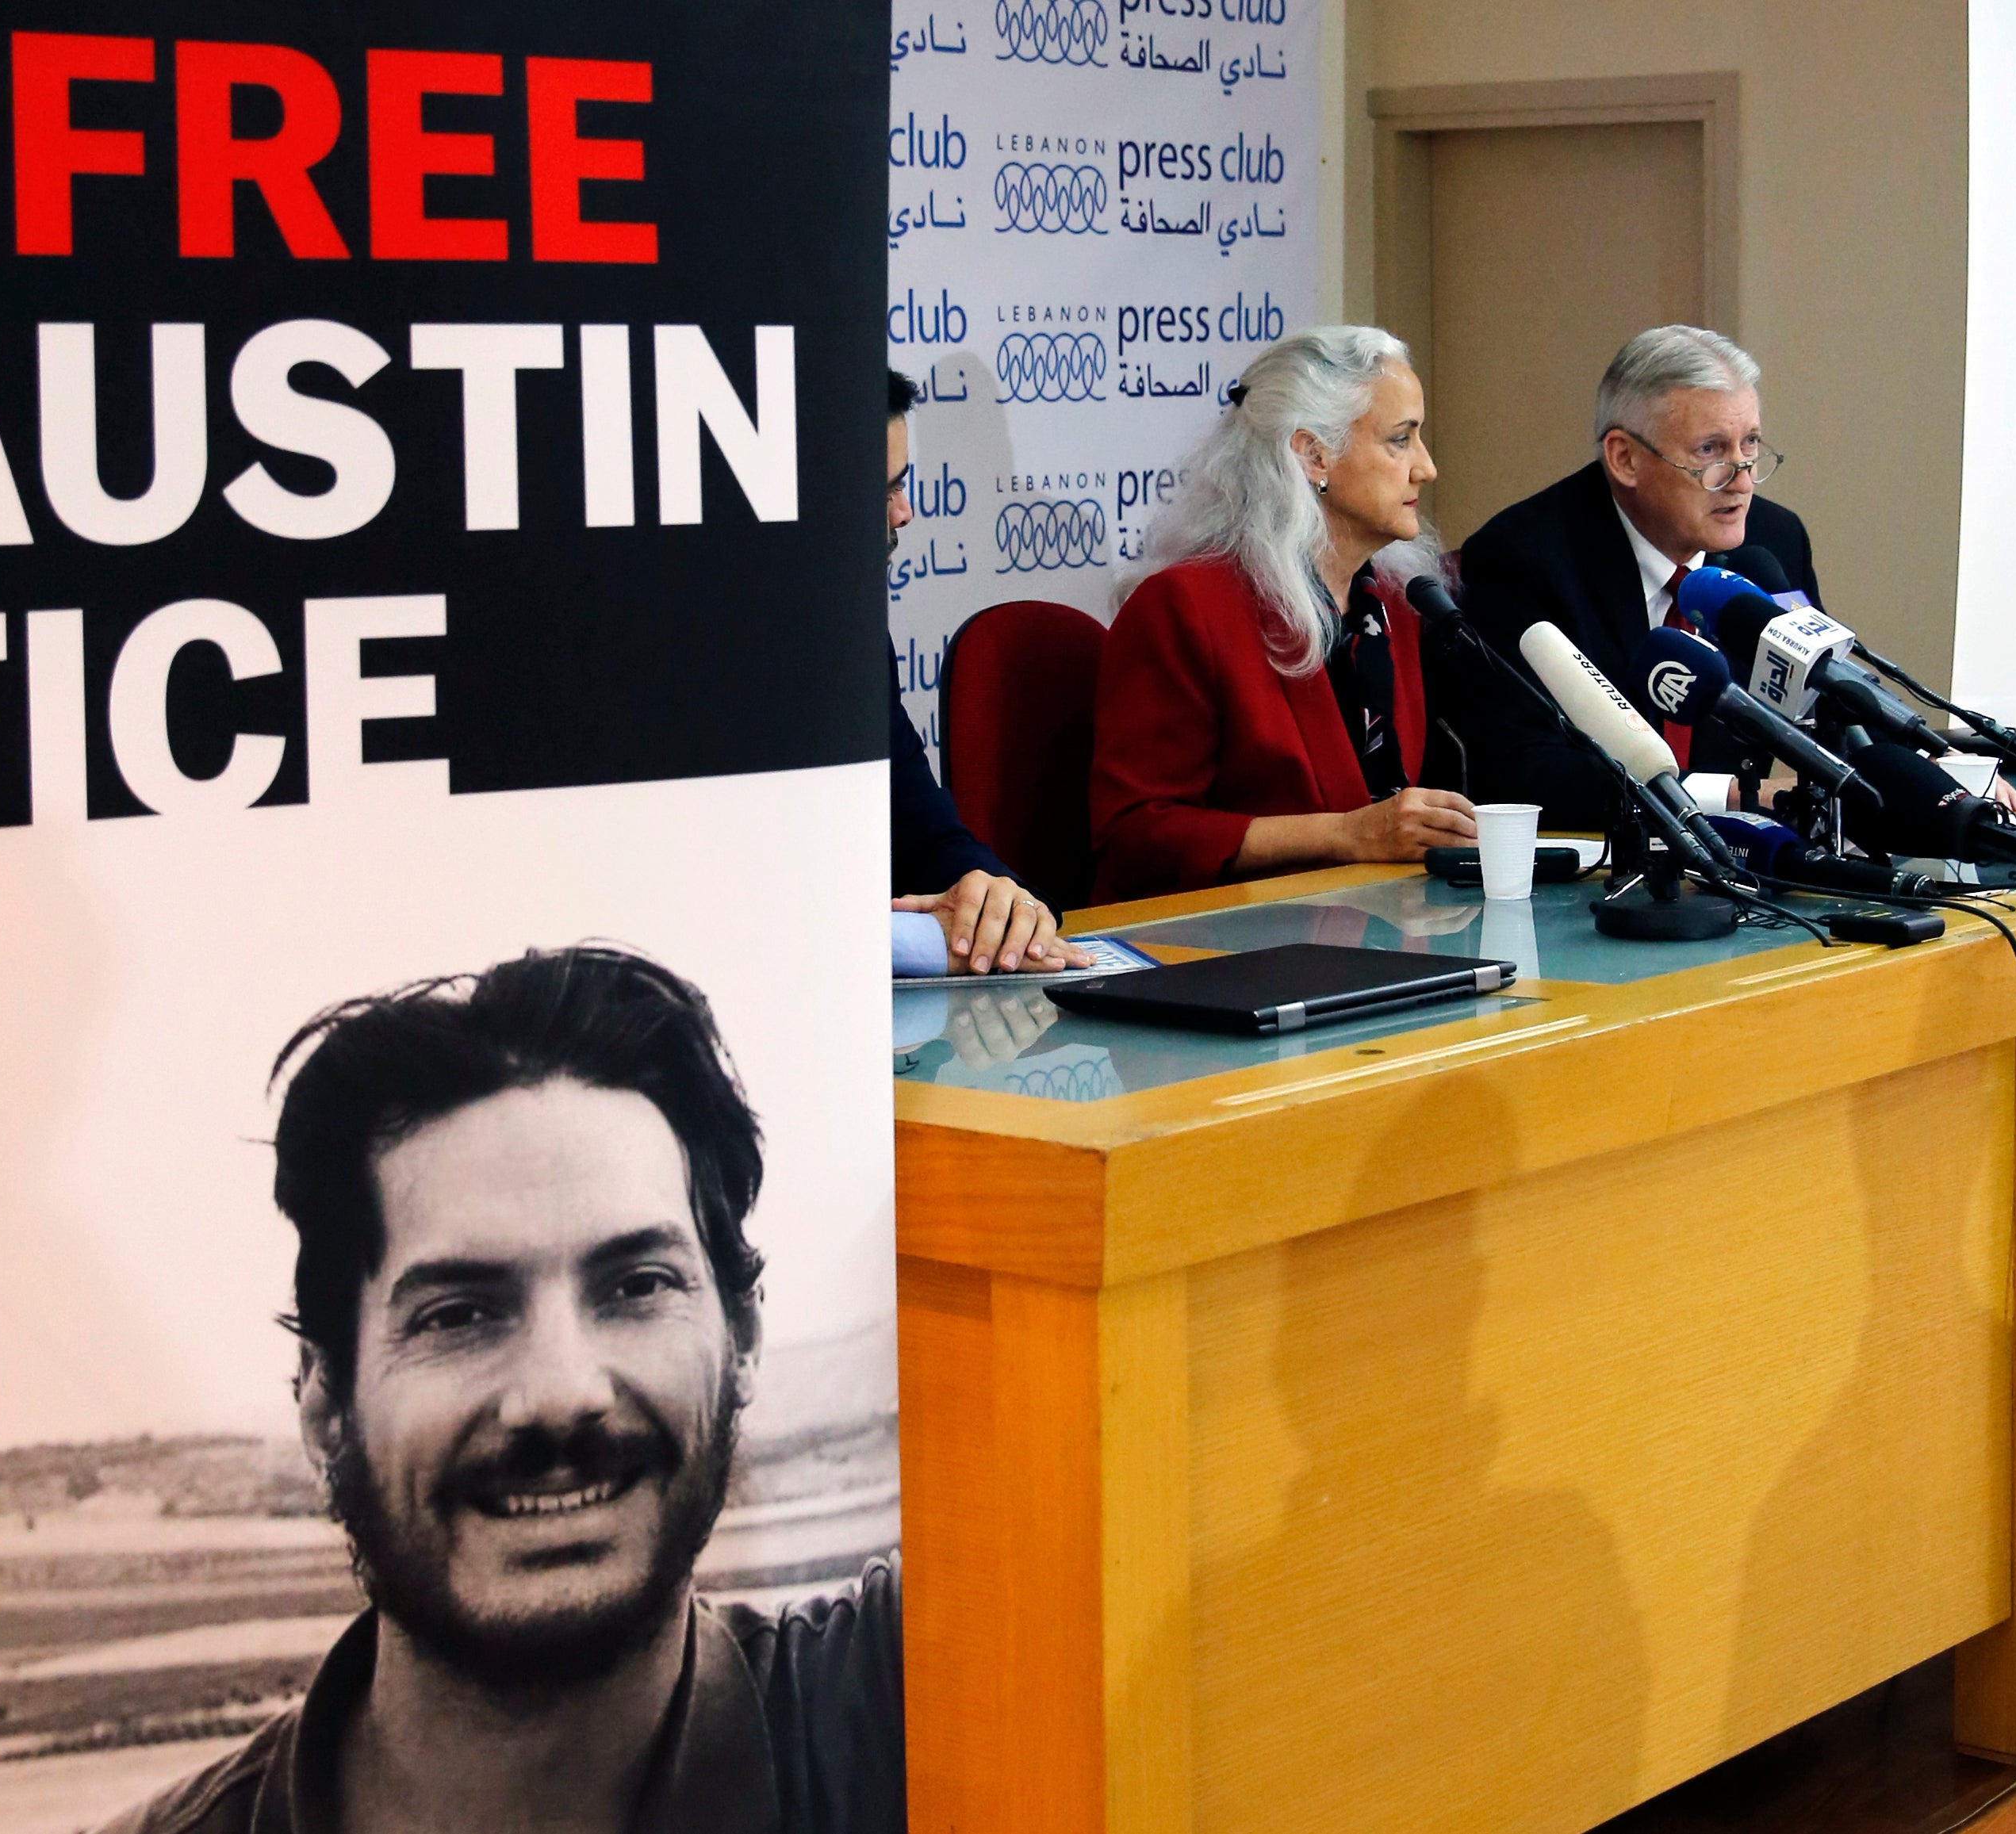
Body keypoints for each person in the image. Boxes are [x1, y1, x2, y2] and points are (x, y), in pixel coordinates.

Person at [96, 946, 904, 1834]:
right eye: (457, 1315)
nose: (560, 1395)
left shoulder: (904, 1704)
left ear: (741, 1337)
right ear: (328, 1404)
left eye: (636, 1284)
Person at [1087, 326, 1477, 902]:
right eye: (1400, 440)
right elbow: (1135, 835)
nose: (1425, 468)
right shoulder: (1185, 607)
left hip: (1373, 932)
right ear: (1312, 454)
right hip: (1223, 951)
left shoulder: (1393, 603)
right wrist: (1344, 835)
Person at [1439, 324, 1822, 828]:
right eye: (1710, 451)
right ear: (1624, 458)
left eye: (1749, 444)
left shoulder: (1772, 541)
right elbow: (1523, 768)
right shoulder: (1521, 559)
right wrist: (1727, 795)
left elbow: (1822, 708)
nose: (1743, 479)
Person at [887, 371, 1088, 972]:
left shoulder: (854, 642)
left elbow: (926, 831)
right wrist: (931, 941)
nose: (905, 511)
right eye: (886, 488)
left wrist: (1002, 900)